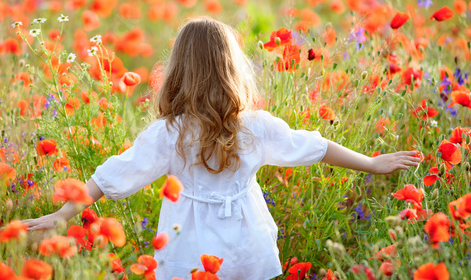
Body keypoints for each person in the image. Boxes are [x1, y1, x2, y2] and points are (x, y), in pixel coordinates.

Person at [23, 17, 421, 280]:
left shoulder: (169, 133)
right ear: (233, 68)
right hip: (248, 240)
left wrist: (64, 212)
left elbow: (113, 177)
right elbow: (316, 147)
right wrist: (371, 163)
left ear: (178, 70)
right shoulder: (256, 128)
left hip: (188, 244)